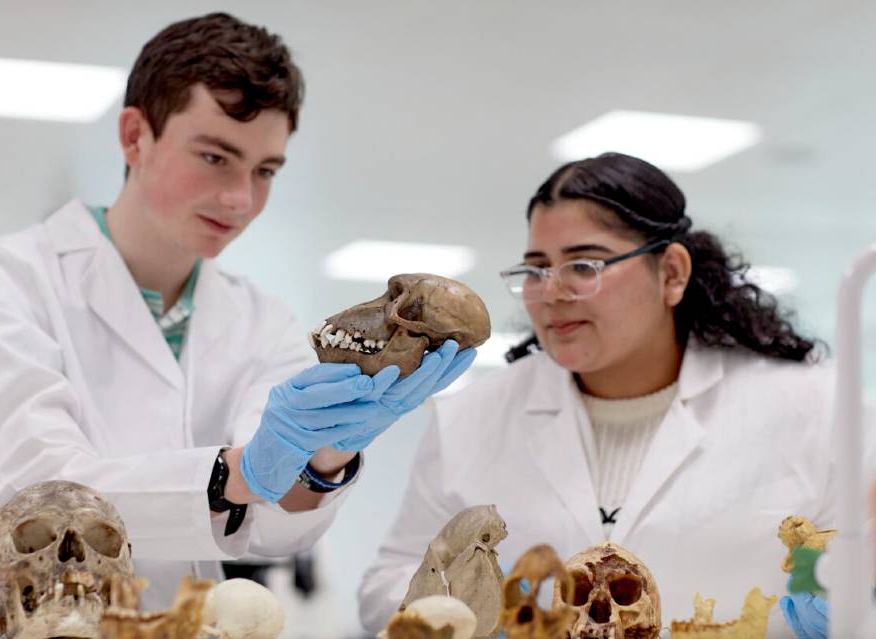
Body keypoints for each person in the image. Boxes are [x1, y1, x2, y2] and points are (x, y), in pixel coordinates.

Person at [0, 13, 474, 638]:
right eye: (216, 156)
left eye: (266, 171)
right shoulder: (5, 280)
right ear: (135, 136)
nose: (242, 198)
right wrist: (240, 471)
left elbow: (268, 530)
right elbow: (40, 492)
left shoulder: (261, 319)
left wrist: (327, 453)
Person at [358, 152, 871, 636]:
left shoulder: (817, 407)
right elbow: (384, 587)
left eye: (584, 265)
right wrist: (484, 611)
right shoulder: (470, 417)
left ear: (671, 273)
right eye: (535, 269)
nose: (552, 292)